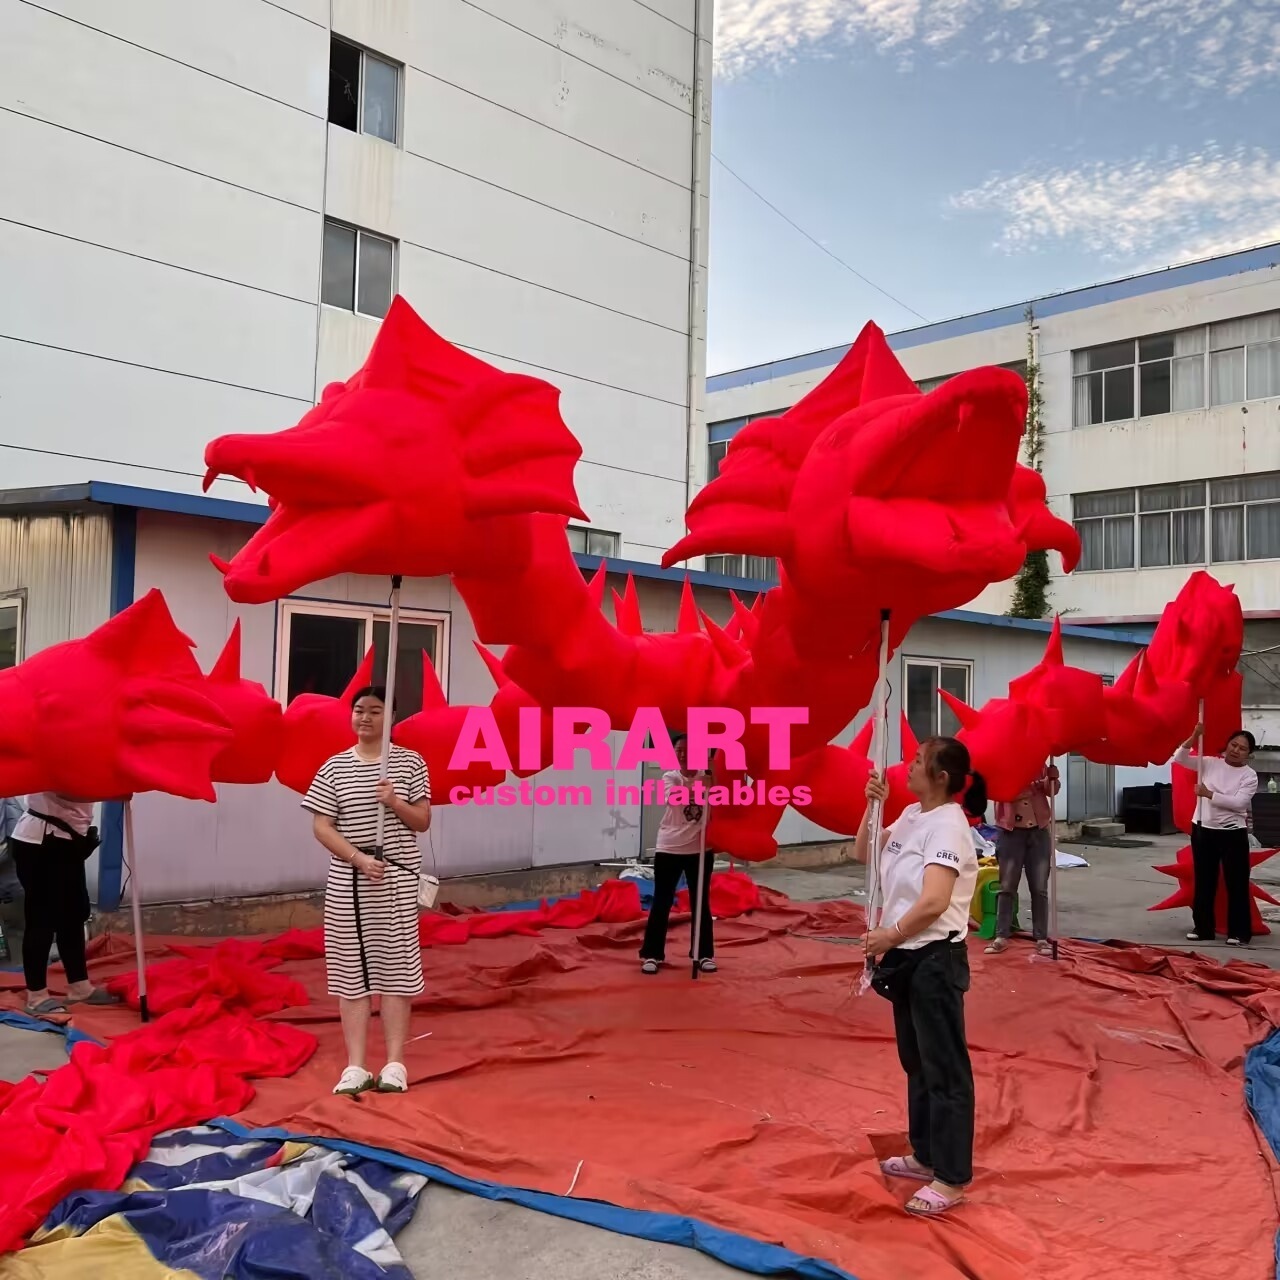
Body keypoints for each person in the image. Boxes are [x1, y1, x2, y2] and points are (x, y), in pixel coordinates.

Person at [855, 736, 983, 1217]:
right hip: (906, 958)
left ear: (941, 777)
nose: (906, 768)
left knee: (946, 1069)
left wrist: (889, 934)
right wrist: (873, 806)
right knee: (917, 1061)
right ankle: (925, 1153)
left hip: (933, 959)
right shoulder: (911, 817)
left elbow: (933, 901)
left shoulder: (948, 827)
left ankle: (951, 1177)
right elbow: (862, 852)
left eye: (916, 762)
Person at [303, 686, 432, 1096]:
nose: (365, 718)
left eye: (375, 711)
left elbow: (423, 821)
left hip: (395, 880)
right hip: (349, 882)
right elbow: (321, 825)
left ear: (390, 717)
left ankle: (395, 1063)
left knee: (396, 971)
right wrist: (357, 858)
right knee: (350, 974)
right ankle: (355, 1065)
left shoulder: (410, 764)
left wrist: (395, 800)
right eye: (359, 710)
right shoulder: (335, 767)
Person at [9, 793, 120, 1017]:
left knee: (73, 915)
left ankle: (79, 986)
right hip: (40, 840)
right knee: (42, 918)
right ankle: (36, 996)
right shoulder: (53, 759)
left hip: (68, 841)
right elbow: (69, 788)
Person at [1174, 724, 1258, 946]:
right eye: (1234, 744)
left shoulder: (1249, 776)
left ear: (1249, 754)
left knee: (1237, 883)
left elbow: (1239, 803)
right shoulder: (1209, 763)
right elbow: (1179, 758)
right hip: (1203, 830)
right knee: (1205, 882)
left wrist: (1208, 793)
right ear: (1227, 744)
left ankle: (1239, 932)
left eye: (1242, 748)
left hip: (1232, 834)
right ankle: (1203, 928)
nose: (1236, 750)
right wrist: (1194, 735)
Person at [639, 734, 716, 975]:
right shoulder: (670, 776)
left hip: (700, 848)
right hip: (670, 847)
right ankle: (652, 954)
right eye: (678, 750)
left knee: (700, 902)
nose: (682, 755)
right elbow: (674, 797)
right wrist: (700, 786)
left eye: (686, 750)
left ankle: (703, 954)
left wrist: (710, 781)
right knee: (662, 902)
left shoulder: (711, 777)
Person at [985, 763, 1060, 957]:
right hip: (1011, 832)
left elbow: (1051, 791)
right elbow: (1001, 794)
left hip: (1039, 831)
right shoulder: (1002, 765)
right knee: (1007, 886)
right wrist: (1026, 787)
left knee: (1040, 887)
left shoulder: (1038, 763)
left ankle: (1041, 938)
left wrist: (1052, 779)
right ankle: (1001, 935)